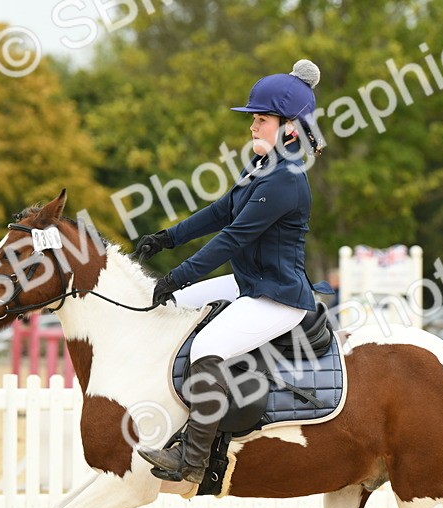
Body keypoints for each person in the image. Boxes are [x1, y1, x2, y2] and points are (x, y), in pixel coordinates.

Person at [133, 59, 325, 485]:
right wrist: (168, 238)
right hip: (249, 283)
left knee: (207, 347)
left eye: (262, 119)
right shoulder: (260, 166)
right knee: (170, 308)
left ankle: (192, 459)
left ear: (291, 129)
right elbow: (222, 211)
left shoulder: (285, 180)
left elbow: (232, 239)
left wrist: (178, 275)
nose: (252, 126)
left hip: (277, 296)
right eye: (253, 118)